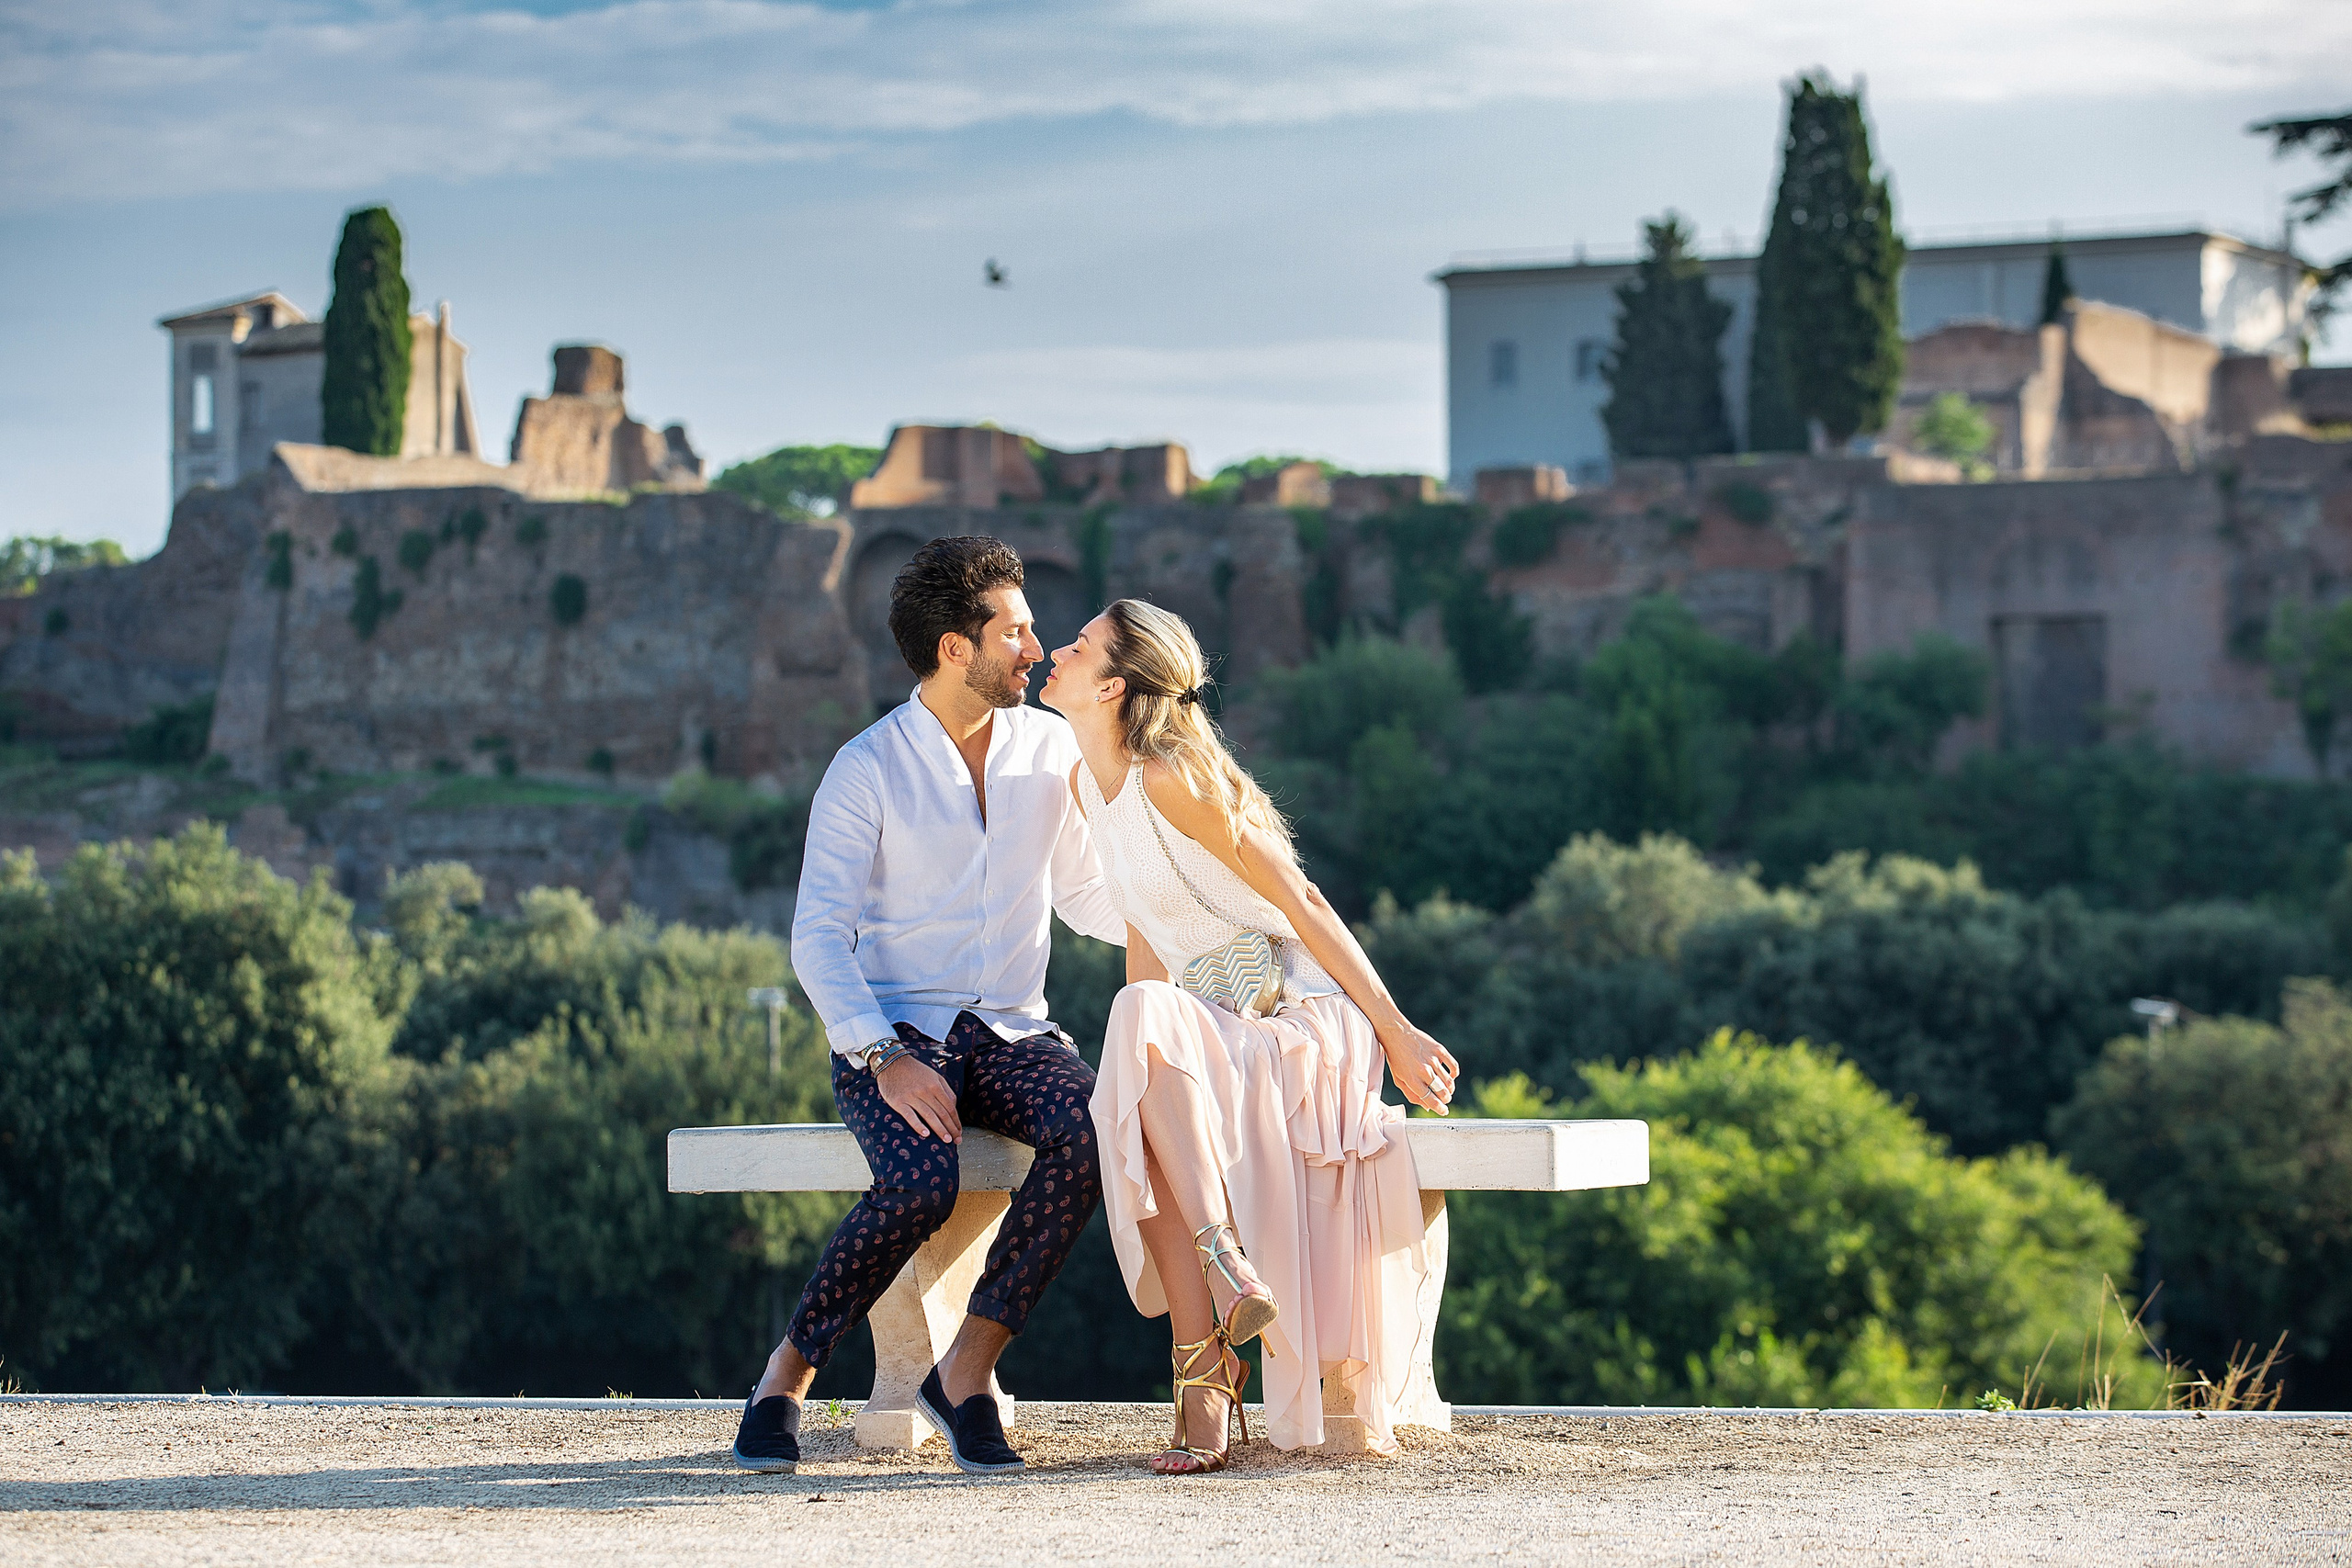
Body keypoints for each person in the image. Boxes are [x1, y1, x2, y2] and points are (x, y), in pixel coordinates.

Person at [730, 536, 1126, 1477]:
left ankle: (966, 1373)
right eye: (1017, 631)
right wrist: (881, 1054)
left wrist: (1197, 921)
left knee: (1094, 1129)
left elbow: (1083, 898)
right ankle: (783, 1379)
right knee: (920, 1181)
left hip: (1015, 1029)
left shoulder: (1047, 749)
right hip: (895, 1033)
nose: (1035, 649)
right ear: (957, 648)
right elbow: (817, 939)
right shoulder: (864, 768)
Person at [1039, 597, 1459, 1472]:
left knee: (1138, 1053)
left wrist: (1398, 1030)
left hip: (1303, 1019)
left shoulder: (1171, 779)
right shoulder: (1088, 786)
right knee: (1136, 1094)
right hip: (1216, 1024)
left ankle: (1206, 1367)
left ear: (1113, 685)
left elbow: (1302, 902)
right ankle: (1219, 1298)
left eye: (1077, 647)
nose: (1055, 652)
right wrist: (1138, 1063)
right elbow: (1144, 931)